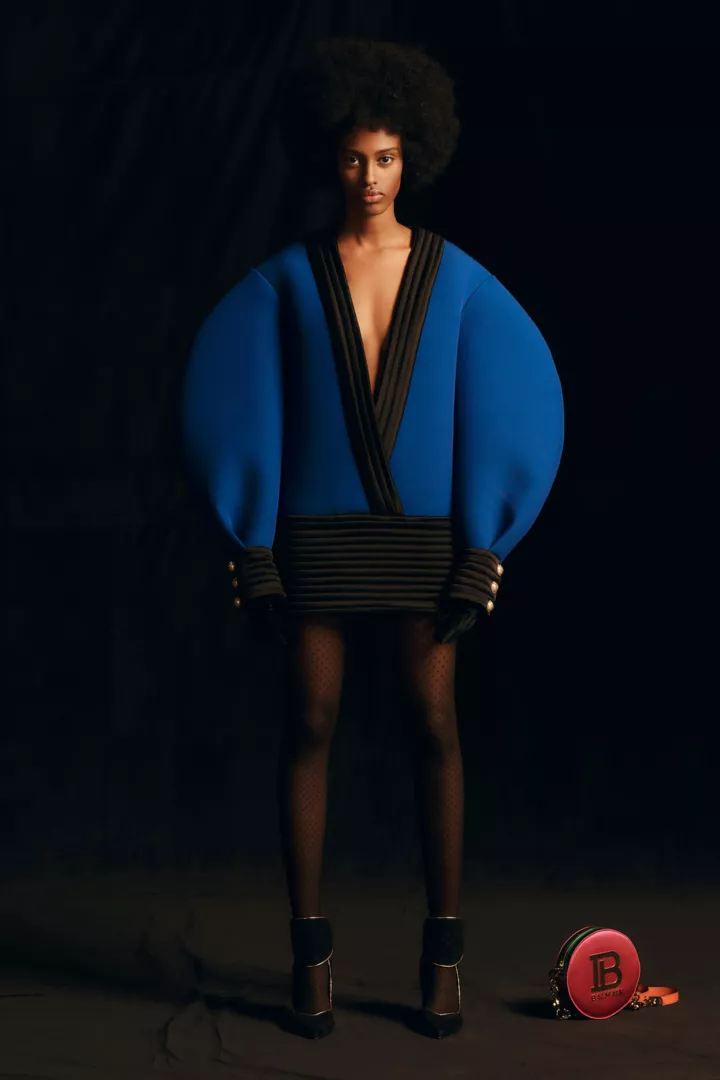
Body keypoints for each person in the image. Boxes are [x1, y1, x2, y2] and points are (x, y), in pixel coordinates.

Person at [181, 37, 564, 1040]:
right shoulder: (285, 280)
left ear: (413, 156)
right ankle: (311, 957)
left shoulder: (460, 279)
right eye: (353, 158)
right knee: (309, 721)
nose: (369, 177)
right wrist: (252, 546)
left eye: (386, 157)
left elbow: (514, 408)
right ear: (328, 157)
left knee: (434, 725)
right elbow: (234, 403)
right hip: (313, 541)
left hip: (428, 544)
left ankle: (444, 958)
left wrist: (485, 550)